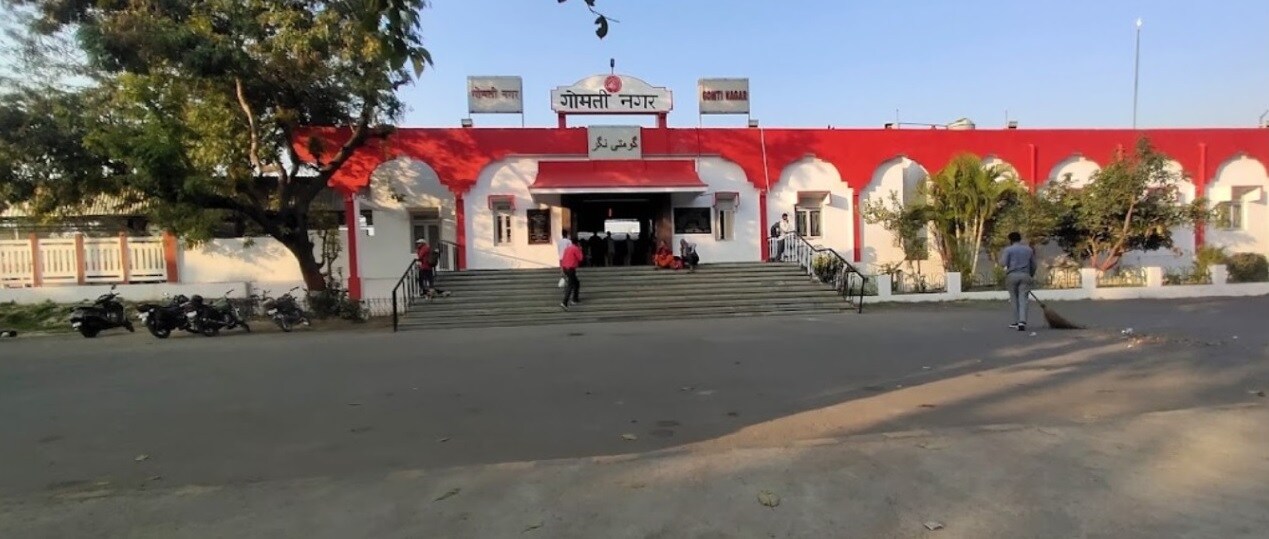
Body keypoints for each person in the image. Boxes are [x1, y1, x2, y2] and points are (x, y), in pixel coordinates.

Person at [1000, 231, 1036, 331]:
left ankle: (1016, 321)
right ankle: (1022, 321)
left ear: (1010, 240)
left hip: (1012, 275)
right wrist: (1030, 275)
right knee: (1023, 299)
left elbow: (1003, 263)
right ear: (1020, 239)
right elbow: (1034, 265)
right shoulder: (1028, 250)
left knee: (1014, 299)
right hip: (1025, 275)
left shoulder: (1008, 250)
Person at [559, 234, 583, 310]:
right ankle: (564, 302)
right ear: (577, 243)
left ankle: (575, 299)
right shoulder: (576, 248)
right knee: (571, 285)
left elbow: (563, 258)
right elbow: (580, 258)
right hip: (571, 269)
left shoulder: (567, 248)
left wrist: (562, 269)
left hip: (565, 268)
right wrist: (580, 249)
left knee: (576, 283)